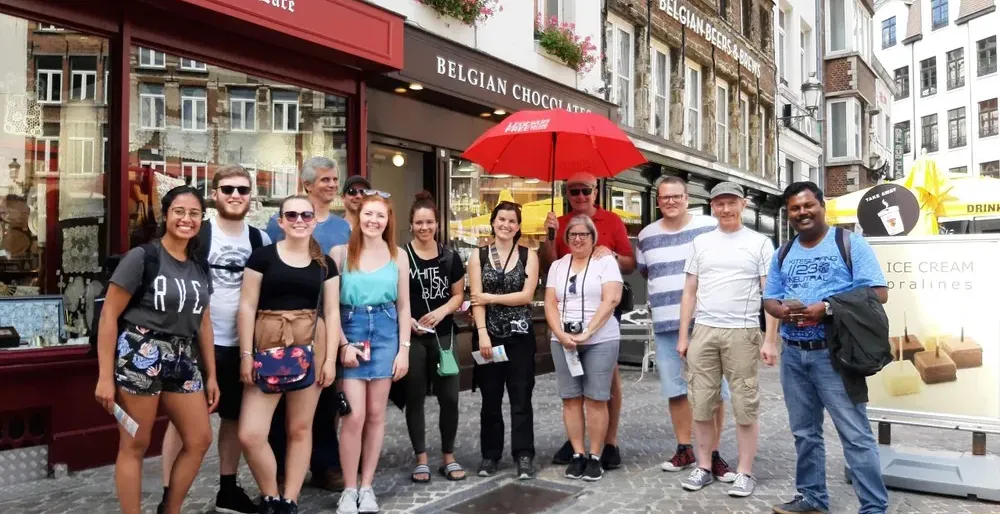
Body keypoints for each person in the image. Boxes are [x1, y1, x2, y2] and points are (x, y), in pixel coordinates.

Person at [763, 182, 889, 514]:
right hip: (794, 354)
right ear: (787, 214)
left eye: (808, 205)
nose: (802, 212)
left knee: (855, 434)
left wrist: (827, 307)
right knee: (805, 432)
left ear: (822, 206)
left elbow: (877, 293)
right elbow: (770, 299)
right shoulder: (784, 252)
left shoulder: (849, 243)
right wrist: (784, 312)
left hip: (835, 354)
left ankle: (874, 507)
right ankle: (812, 499)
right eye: (794, 208)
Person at [94, 185, 219, 514]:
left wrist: (212, 374)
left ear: (201, 220)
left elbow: (204, 321)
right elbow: (109, 316)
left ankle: (171, 509)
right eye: (179, 212)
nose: (186, 219)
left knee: (200, 439)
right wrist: (105, 376)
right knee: (135, 443)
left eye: (194, 214)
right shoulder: (143, 257)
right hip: (140, 352)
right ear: (166, 216)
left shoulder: (200, 267)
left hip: (182, 357)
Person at [159, 166, 271, 514]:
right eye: (228, 189)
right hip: (194, 344)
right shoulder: (198, 235)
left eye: (242, 189)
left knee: (234, 418)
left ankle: (227, 490)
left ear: (251, 196)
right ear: (215, 193)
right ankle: (169, 497)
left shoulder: (260, 240)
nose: (235, 195)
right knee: (182, 422)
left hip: (242, 346)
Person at [236, 195, 341, 514]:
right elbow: (247, 305)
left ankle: (289, 500)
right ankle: (270, 493)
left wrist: (330, 359)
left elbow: (333, 313)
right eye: (291, 214)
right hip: (268, 345)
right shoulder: (262, 258)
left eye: (306, 215)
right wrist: (245, 354)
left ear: (314, 220)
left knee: (300, 428)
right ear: (280, 221)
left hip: (311, 344)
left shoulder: (325, 263)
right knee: (250, 433)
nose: (299, 220)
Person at [676, 181, 778, 498]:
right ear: (712, 207)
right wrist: (684, 335)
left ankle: (745, 471)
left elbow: (770, 294)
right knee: (702, 403)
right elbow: (689, 291)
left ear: (743, 205)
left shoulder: (760, 243)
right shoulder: (701, 243)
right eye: (719, 203)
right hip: (705, 329)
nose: (726, 209)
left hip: (743, 330)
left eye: (731, 203)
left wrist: (770, 339)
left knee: (745, 403)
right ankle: (704, 466)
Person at [636, 176, 736, 481]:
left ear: (687, 197)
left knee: (714, 391)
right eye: (664, 197)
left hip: (706, 322)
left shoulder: (708, 227)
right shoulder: (646, 235)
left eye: (676, 197)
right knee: (676, 391)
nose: (670, 202)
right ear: (657, 201)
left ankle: (714, 453)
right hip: (666, 324)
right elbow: (646, 271)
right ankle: (685, 448)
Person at [265, 156, 350, 491]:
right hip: (285, 322)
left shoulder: (343, 226)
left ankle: (325, 464)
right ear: (307, 185)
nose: (331, 185)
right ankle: (283, 468)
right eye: (325, 180)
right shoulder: (278, 224)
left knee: (325, 397)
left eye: (334, 179)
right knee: (281, 398)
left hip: (326, 321)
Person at [542, 171, 634, 470]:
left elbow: (630, 264)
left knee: (606, 384)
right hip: (568, 317)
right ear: (567, 194)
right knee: (573, 390)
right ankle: (577, 443)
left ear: (596, 191)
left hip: (602, 314)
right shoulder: (562, 224)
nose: (580, 196)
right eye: (574, 191)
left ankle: (608, 442)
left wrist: (612, 256)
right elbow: (550, 263)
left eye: (585, 191)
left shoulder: (612, 221)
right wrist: (551, 234)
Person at [331, 191, 411, 514]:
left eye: (380, 215)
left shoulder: (398, 256)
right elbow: (331, 307)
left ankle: (367, 486)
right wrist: (341, 345)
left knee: (377, 415)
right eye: (368, 214)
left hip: (386, 330)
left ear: (388, 220)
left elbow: (404, 306)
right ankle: (348, 489)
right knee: (353, 415)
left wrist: (403, 350)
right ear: (358, 216)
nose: (373, 221)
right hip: (351, 328)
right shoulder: (339, 253)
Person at [469, 201, 540, 480]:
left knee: (521, 396)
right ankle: (490, 455)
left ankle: (524, 454)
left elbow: (526, 296)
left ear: (518, 226)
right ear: (493, 221)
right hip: (490, 337)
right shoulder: (479, 256)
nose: (506, 225)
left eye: (512, 221)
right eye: (501, 219)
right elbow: (476, 298)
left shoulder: (528, 255)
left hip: (520, 336)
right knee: (490, 398)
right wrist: (483, 333)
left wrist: (492, 297)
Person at [402, 192, 467, 483]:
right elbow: (395, 297)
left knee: (450, 397)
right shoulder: (401, 256)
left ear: (437, 224)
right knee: (415, 397)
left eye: (429, 222)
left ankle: (448, 456)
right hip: (413, 337)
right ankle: (421, 459)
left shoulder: (449, 256)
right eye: (419, 222)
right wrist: (409, 321)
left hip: (443, 337)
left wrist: (441, 313)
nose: (424, 227)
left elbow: (458, 296)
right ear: (411, 225)